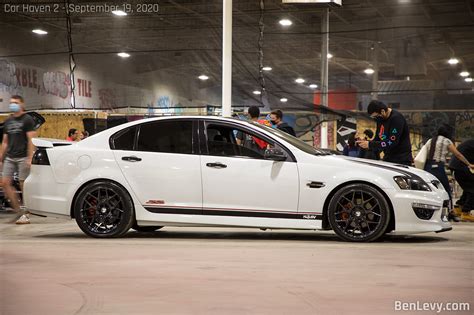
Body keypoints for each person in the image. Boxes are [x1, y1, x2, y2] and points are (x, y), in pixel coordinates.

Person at [424, 126, 473, 221]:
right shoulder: (446, 141)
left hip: (428, 167)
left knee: (431, 190)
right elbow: (457, 154)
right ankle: (451, 213)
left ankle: (430, 212)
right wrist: (468, 164)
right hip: (438, 167)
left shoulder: (431, 140)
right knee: (447, 191)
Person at [0, 95, 36, 224]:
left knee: (23, 184)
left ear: (22, 104)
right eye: (10, 103)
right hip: (10, 156)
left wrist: (30, 156)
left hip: (23, 156)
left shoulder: (27, 120)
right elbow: (5, 141)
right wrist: (1, 157)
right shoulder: (8, 121)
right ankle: (18, 210)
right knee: (5, 182)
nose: (12, 105)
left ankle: (26, 213)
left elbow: (31, 139)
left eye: (15, 102)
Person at [357, 100, 412, 165]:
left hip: (401, 159)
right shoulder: (380, 119)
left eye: (376, 116)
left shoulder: (396, 119)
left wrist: (370, 144)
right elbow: (377, 138)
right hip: (388, 156)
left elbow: (391, 142)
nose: (376, 119)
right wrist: (365, 143)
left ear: (382, 111)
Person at [449, 139, 474, 222]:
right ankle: (465, 212)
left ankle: (459, 207)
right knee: (472, 188)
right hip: (460, 167)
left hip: (456, 167)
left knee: (468, 188)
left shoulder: (470, 142)